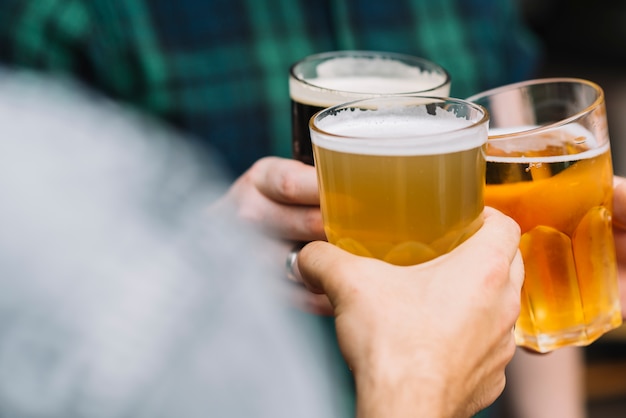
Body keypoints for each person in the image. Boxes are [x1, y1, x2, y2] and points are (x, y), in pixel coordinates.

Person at [0, 1, 590, 417]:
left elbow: (514, 216)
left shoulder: (472, 8)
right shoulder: (71, 15)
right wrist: (203, 264)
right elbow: (31, 298)